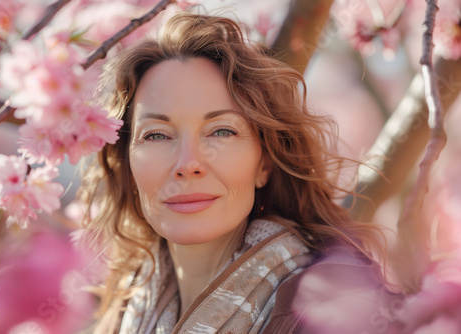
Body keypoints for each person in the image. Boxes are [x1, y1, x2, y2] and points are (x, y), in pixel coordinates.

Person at [80, 12, 398, 334]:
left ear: (264, 164)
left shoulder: (332, 309)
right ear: (128, 164)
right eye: (157, 135)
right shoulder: (125, 311)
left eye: (221, 131)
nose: (188, 164)